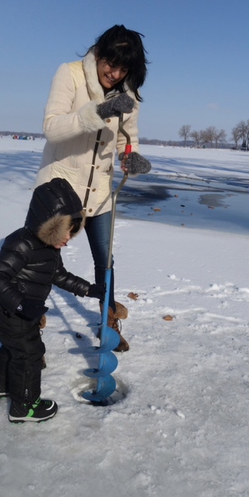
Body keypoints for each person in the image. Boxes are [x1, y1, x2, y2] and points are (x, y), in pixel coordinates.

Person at [35, 25, 151, 352]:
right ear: (98, 53)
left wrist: (131, 157)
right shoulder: (69, 74)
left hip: (99, 195)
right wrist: (97, 113)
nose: (114, 74)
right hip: (58, 190)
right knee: (43, 262)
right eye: (110, 63)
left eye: (123, 69)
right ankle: (29, 330)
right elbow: (52, 128)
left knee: (106, 262)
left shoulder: (127, 94)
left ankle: (108, 323)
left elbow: (129, 137)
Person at [0, 178, 104, 423]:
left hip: (16, 311)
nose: (68, 238)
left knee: (13, 349)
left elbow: (58, 274)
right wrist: (21, 304)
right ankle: (24, 407)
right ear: (49, 225)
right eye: (66, 232)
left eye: (72, 231)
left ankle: (3, 386)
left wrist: (88, 289)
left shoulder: (49, 247)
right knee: (29, 354)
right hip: (11, 311)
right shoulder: (21, 243)